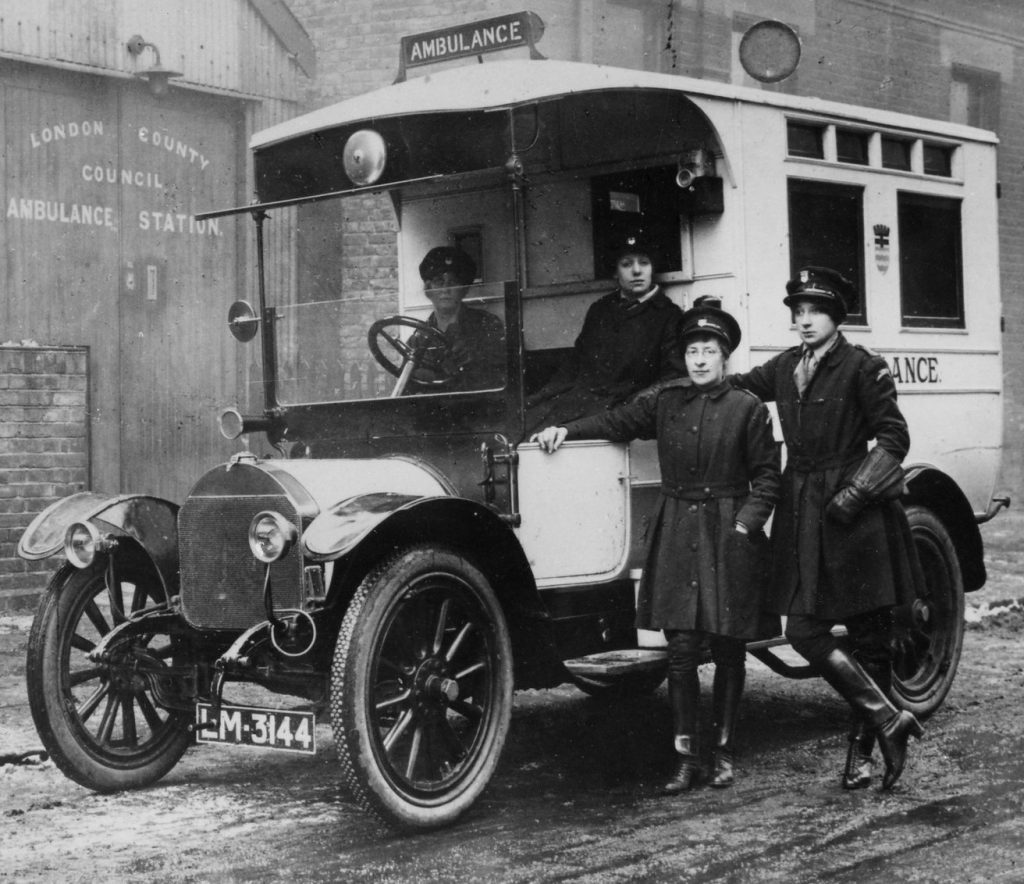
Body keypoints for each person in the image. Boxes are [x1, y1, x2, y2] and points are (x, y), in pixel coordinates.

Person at [532, 303, 780, 794]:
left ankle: (724, 755)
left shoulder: (747, 408)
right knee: (682, 651)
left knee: (729, 649)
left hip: (729, 533)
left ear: (725, 356)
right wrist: (568, 429)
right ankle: (686, 759)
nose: (701, 360)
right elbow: (618, 421)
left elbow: (768, 478)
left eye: (709, 351)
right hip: (679, 532)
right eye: (692, 351)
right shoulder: (667, 402)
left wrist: (746, 527)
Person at [730, 266, 925, 791]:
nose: (804, 321)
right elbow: (734, 386)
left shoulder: (863, 366)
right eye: (798, 311)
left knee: (869, 637)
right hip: (801, 505)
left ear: (837, 315)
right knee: (801, 628)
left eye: (815, 311)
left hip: (853, 510)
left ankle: (863, 754)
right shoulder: (785, 366)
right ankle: (890, 719)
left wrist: (857, 493)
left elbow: (894, 438)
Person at [524, 233, 686, 430]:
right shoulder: (600, 309)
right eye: (626, 264)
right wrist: (538, 398)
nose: (636, 271)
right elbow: (575, 363)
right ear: (615, 273)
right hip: (580, 403)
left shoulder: (668, 315)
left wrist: (637, 403)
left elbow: (674, 374)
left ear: (653, 269)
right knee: (531, 427)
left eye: (644, 263)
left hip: (624, 411)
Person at [409, 246, 505, 392]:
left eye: (453, 282)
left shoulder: (487, 324)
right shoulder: (418, 338)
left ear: (464, 289)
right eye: (439, 281)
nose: (445, 289)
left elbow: (499, 376)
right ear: (428, 290)